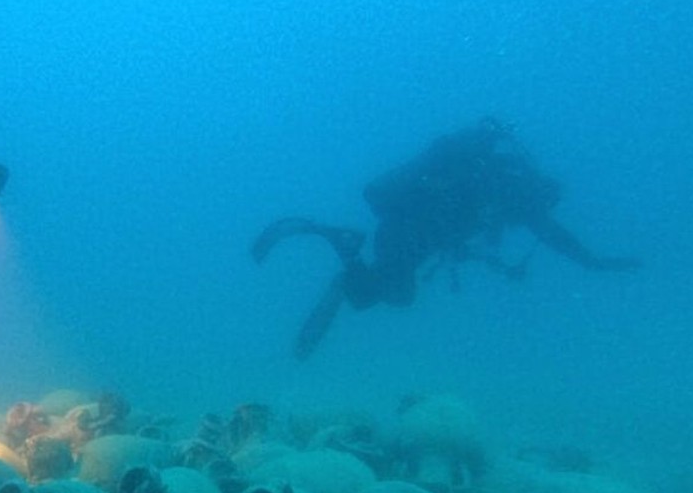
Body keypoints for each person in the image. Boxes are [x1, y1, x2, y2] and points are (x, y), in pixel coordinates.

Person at [253, 118, 641, 359]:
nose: (534, 220)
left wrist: (592, 261)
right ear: (537, 193)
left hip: (415, 233)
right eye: (539, 208)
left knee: (391, 295)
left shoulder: (499, 188)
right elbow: (554, 234)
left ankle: (347, 258)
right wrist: (591, 261)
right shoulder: (502, 189)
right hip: (409, 231)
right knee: (390, 296)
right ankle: (342, 246)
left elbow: (546, 232)